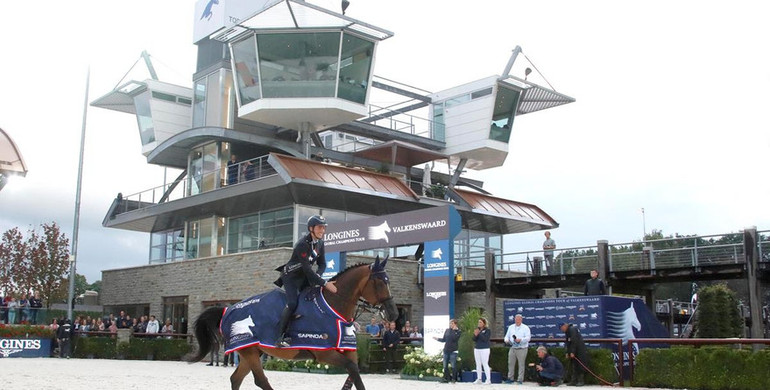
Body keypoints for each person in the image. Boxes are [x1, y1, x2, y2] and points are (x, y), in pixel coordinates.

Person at [274, 215, 337, 347]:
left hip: (304, 276)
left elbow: (322, 265)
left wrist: (317, 279)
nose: (322, 231)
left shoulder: (320, 243)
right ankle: (280, 337)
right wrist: (324, 283)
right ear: (311, 228)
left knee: (314, 297)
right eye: (320, 227)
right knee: (292, 303)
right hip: (291, 277)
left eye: (323, 228)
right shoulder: (302, 244)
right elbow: (307, 269)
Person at [504, 314, 531, 384]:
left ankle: (520, 379)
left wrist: (521, 340)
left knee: (521, 364)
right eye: (516, 319)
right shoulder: (511, 327)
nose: (517, 320)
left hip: (522, 348)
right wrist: (506, 340)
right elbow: (506, 336)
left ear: (521, 319)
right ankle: (510, 378)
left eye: (519, 319)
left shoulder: (525, 328)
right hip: (513, 347)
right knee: (510, 363)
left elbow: (528, 338)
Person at [560, 322, 589, 386]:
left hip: (579, 350)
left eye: (562, 328)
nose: (562, 330)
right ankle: (574, 381)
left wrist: (572, 352)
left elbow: (574, 341)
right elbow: (568, 342)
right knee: (574, 366)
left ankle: (581, 381)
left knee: (580, 366)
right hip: (573, 351)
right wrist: (568, 352)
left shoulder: (572, 329)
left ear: (565, 326)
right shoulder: (567, 331)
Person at [434, 318, 462, 383]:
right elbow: (444, 339)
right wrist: (437, 339)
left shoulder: (458, 331)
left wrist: (455, 331)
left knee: (453, 365)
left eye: (452, 323)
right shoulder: (447, 330)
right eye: (450, 323)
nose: (451, 325)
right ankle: (447, 378)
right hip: (446, 350)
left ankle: (454, 379)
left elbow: (455, 339)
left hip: (453, 350)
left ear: (455, 324)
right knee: (445, 365)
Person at [472, 317, 492, 385]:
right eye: (478, 322)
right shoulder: (477, 329)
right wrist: (475, 334)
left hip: (485, 348)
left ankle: (488, 379)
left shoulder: (487, 330)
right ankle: (479, 378)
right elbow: (474, 339)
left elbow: (485, 339)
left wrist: (479, 333)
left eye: (480, 322)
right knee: (478, 364)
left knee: (485, 363)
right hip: (477, 348)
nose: (479, 323)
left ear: (484, 323)